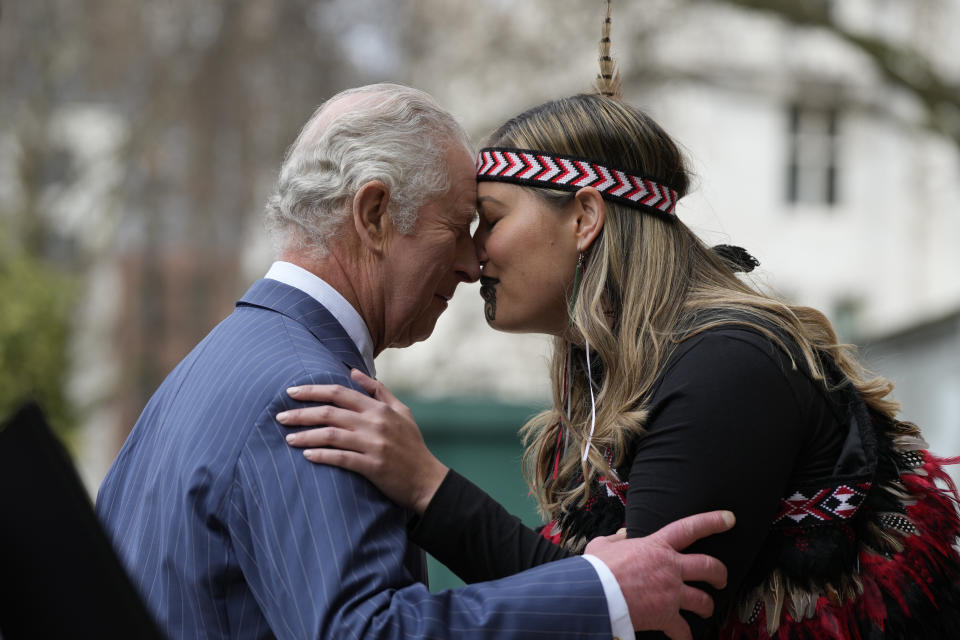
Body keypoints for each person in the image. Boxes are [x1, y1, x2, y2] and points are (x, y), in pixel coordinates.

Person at [275, 16, 960, 640]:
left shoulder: (727, 364)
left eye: (491, 217)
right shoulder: (627, 371)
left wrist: (427, 485)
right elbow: (591, 597)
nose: (472, 253)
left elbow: (641, 620)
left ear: (584, 217)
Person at [95, 82, 735, 640]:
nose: (469, 263)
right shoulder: (303, 389)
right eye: (459, 225)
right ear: (373, 213)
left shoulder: (213, 364)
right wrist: (601, 590)